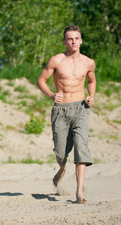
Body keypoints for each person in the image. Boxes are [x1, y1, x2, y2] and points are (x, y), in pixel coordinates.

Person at [37, 25, 96, 203]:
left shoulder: (88, 62)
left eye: (76, 38)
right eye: (70, 39)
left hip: (81, 108)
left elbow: (92, 81)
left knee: (81, 146)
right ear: (65, 42)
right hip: (60, 109)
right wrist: (51, 94)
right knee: (61, 152)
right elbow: (41, 80)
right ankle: (62, 167)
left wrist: (91, 96)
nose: (73, 41)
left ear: (81, 40)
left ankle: (79, 192)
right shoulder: (56, 60)